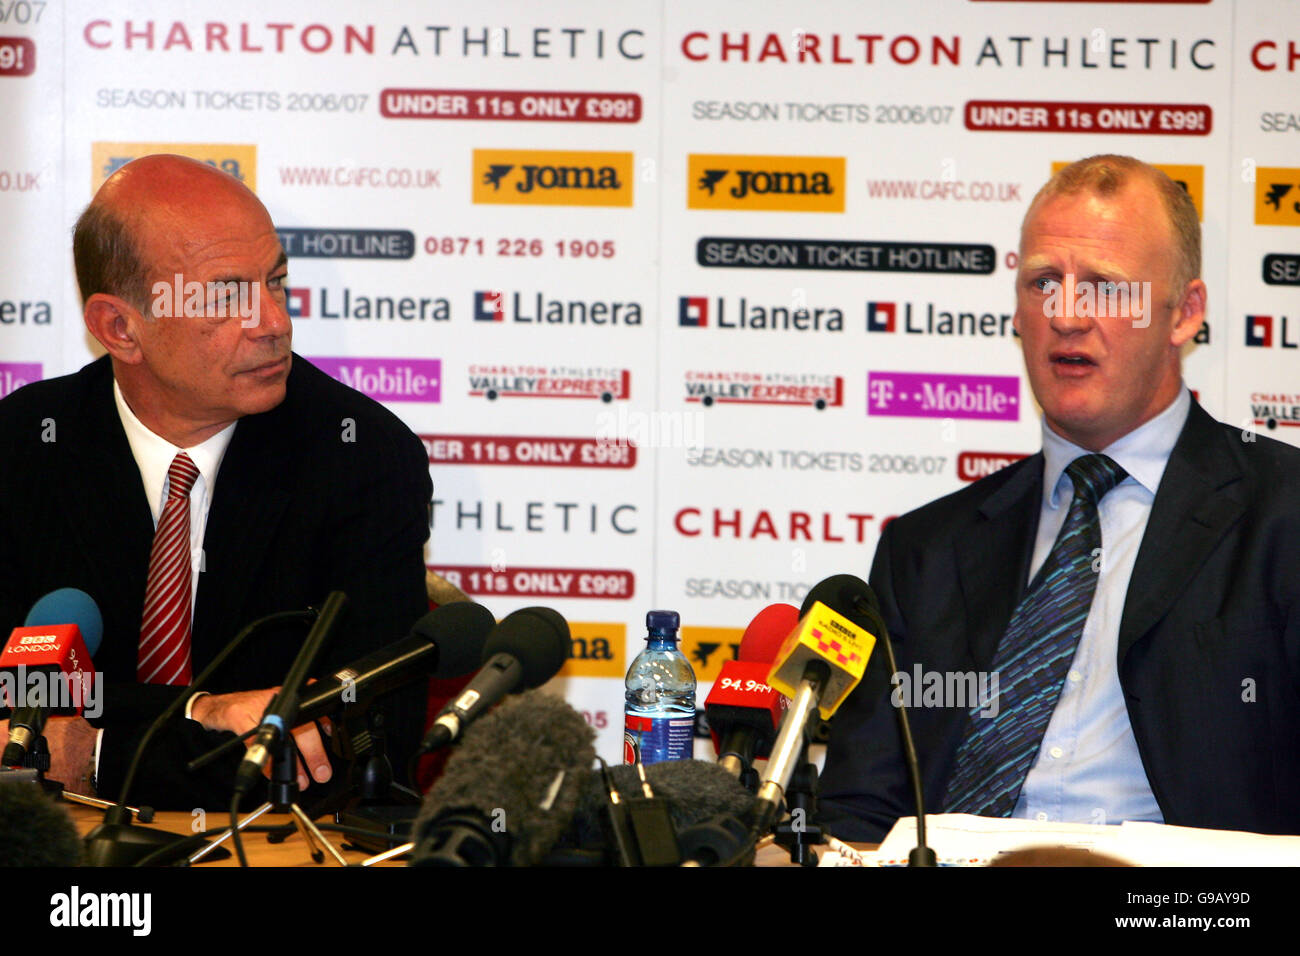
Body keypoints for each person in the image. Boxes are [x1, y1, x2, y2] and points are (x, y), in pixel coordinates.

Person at [819, 155, 1300, 841]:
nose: (1067, 315)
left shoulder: (1283, 516)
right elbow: (857, 813)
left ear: (1183, 314)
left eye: (1104, 288)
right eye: (1044, 281)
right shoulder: (924, 550)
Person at [0, 155, 433, 809]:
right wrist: (209, 713)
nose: (274, 321)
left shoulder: (361, 457)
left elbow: (363, 749)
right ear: (120, 328)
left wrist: (95, 749)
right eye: (226, 295)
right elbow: (14, 711)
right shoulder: (23, 447)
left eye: (276, 282)